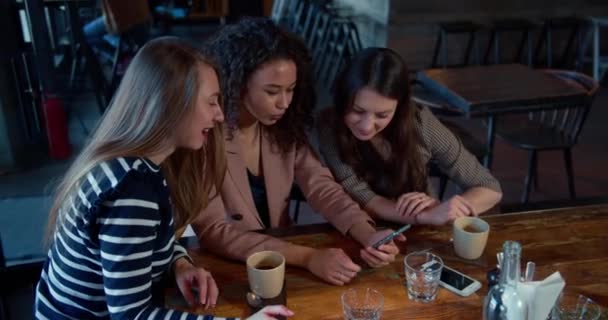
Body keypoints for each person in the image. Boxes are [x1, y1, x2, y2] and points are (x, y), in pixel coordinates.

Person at [35, 37, 292, 320]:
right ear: (171, 105)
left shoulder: (133, 165)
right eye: (211, 102)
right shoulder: (132, 191)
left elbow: (150, 240)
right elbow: (131, 316)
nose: (219, 115)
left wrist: (179, 262)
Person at [192, 18, 403, 287]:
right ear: (237, 83)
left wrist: (367, 233)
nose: (284, 103)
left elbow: (321, 187)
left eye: (290, 90)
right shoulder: (205, 133)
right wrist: (309, 258)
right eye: (272, 91)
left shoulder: (283, 128)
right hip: (225, 269)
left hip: (282, 259)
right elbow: (214, 231)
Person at [311, 47, 502, 226]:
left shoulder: (420, 123)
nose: (367, 126)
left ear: (400, 107)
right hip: (360, 227)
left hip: (423, 231)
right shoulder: (329, 126)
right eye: (357, 110)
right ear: (343, 98)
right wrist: (423, 216)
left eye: (382, 115)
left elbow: (489, 188)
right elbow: (362, 196)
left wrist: (452, 208)